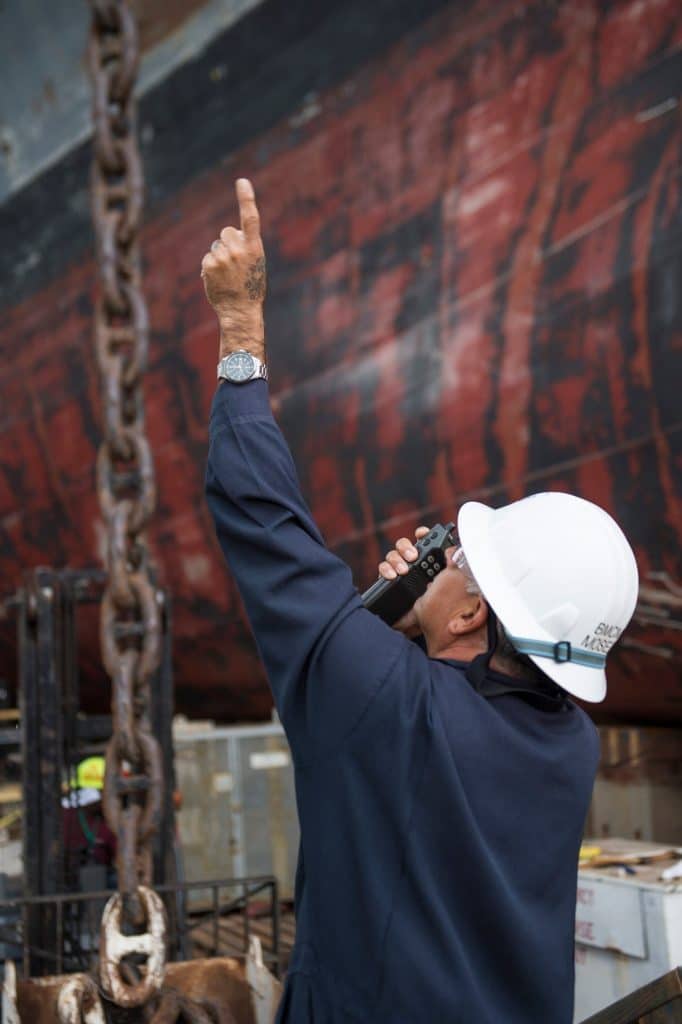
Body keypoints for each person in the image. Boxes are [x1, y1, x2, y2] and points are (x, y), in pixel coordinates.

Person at [201, 180, 639, 1023]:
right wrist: (411, 623)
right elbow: (427, 718)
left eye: (456, 561)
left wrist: (242, 336)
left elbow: (266, 525)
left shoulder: (387, 703)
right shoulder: (568, 745)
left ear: (474, 613)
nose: (438, 557)